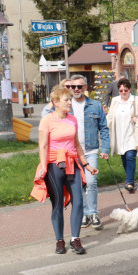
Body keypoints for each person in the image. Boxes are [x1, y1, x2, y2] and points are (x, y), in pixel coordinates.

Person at [42, 75, 109, 230]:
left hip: (90, 150)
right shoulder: (66, 105)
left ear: (85, 87)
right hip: (71, 154)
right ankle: (85, 213)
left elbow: (104, 128)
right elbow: (46, 115)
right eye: (72, 87)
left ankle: (93, 212)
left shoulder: (95, 105)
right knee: (79, 186)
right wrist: (55, 99)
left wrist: (105, 149)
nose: (76, 90)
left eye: (79, 87)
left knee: (91, 182)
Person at [34, 84, 95, 255]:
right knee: (58, 203)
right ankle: (59, 240)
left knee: (79, 201)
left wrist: (86, 164)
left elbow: (76, 144)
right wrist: (43, 167)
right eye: (66, 100)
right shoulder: (47, 120)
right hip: (54, 164)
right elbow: (43, 145)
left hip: (71, 163)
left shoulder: (72, 119)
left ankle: (75, 238)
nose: (70, 102)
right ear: (55, 102)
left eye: (70, 100)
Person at [106, 78, 138, 193]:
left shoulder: (136, 100)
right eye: (121, 90)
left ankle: (129, 182)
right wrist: (105, 126)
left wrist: (137, 119)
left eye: (125, 90)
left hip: (132, 134)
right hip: (119, 134)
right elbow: (110, 116)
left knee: (130, 156)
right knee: (124, 157)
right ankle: (130, 179)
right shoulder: (115, 101)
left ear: (130, 89)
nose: (123, 92)